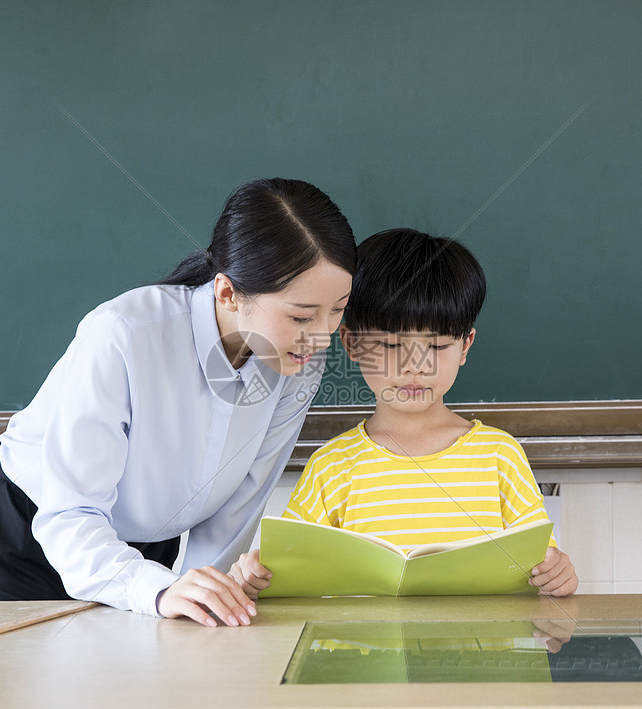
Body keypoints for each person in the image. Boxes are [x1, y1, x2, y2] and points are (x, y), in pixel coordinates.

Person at [0, 178, 355, 628]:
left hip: (145, 552)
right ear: (227, 293)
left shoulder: (297, 362)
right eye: (301, 316)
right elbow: (71, 512)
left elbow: (240, 504)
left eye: (337, 309)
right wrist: (155, 589)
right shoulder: (124, 334)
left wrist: (210, 601)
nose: (320, 337)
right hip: (29, 538)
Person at [228, 228, 578, 599]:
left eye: (438, 345)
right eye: (391, 344)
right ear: (351, 343)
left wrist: (558, 574)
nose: (415, 366)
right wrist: (255, 575)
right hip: (361, 654)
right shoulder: (333, 465)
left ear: (465, 346)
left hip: (479, 654)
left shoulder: (499, 456)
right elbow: (285, 571)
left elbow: (541, 565)